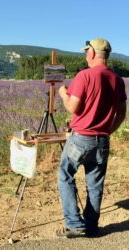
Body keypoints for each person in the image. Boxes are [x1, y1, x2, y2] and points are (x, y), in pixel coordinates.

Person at [57, 38, 127, 238]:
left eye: (86, 51)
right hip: (102, 140)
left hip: (81, 139)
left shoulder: (84, 75)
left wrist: (63, 93)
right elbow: (121, 114)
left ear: (93, 53)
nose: (85, 55)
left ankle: (73, 224)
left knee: (65, 176)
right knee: (95, 185)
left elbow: (72, 107)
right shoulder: (117, 79)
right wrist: (106, 132)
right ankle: (91, 227)